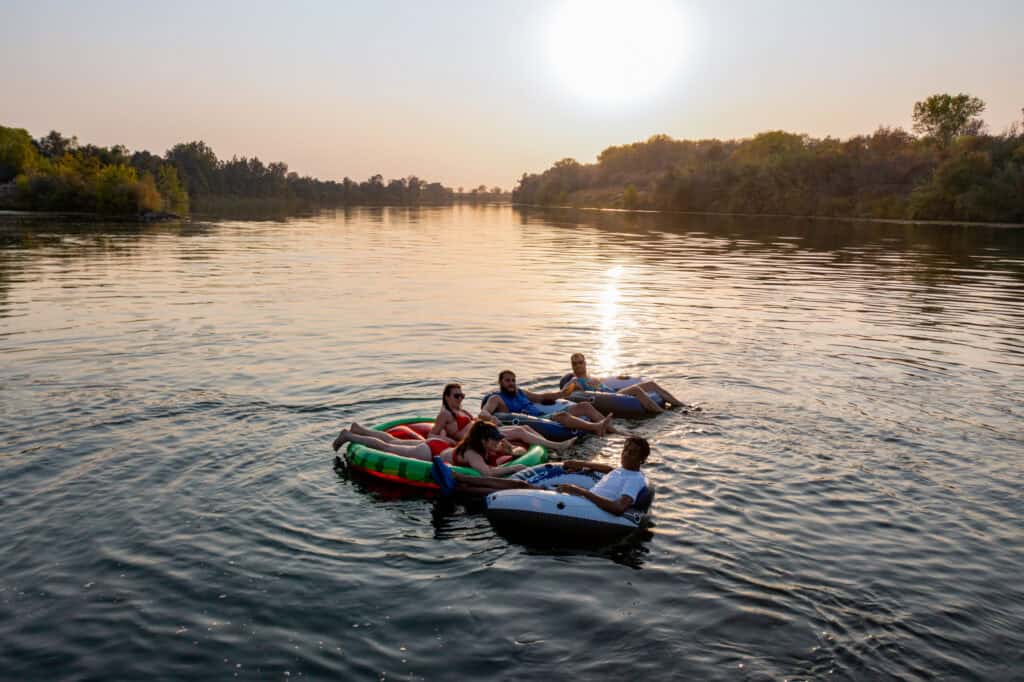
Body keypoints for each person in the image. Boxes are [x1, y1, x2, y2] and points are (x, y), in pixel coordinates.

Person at [333, 418, 529, 477]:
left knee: (393, 441)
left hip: (439, 446)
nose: (498, 443)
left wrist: (514, 452)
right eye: (495, 440)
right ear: (484, 440)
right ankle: (349, 436)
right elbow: (487, 473)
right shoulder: (472, 453)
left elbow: (511, 450)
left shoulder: (481, 445)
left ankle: (360, 428)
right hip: (429, 452)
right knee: (387, 447)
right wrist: (514, 468)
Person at [429, 383, 576, 452]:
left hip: (482, 431)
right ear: (447, 397)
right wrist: (447, 440)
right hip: (476, 438)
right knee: (520, 431)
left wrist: (490, 420)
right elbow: (432, 434)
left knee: (524, 427)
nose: (460, 398)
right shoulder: (445, 414)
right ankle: (557, 446)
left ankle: (547, 445)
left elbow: (473, 422)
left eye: (462, 395)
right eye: (456, 395)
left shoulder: (461, 410)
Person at [480, 370, 617, 436]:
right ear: (500, 382)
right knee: (562, 416)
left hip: (542, 416)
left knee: (585, 406)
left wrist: (562, 394)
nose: (511, 384)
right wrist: (491, 417)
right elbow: (483, 413)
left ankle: (616, 432)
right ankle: (595, 427)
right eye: (508, 381)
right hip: (536, 421)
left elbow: (541, 397)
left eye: (513, 380)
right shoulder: (496, 398)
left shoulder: (521, 392)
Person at [561, 353, 685, 414]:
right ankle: (662, 413)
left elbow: (606, 383)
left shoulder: (591, 376)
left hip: (613, 392)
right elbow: (564, 393)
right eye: (574, 363)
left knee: (651, 384)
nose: (577, 366)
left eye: (580, 362)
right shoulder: (575, 381)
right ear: (572, 366)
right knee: (636, 390)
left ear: (585, 363)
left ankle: (681, 405)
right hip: (609, 397)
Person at [556, 436, 651, 516]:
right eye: (625, 449)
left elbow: (619, 508)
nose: (626, 454)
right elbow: (610, 469)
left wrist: (581, 491)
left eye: (632, 453)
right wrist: (582, 464)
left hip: (592, 509)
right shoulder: (623, 470)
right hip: (586, 501)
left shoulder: (634, 480)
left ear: (642, 460)